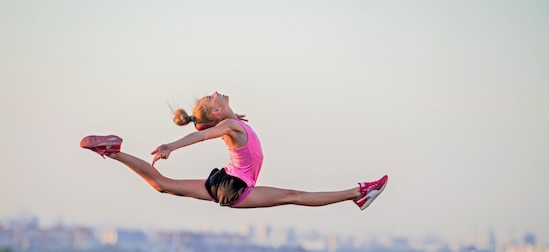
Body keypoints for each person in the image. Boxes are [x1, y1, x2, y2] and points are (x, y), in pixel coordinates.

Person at [80, 91, 388, 210]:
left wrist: (229, 116)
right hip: (236, 186)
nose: (216, 93)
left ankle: (112, 151)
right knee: (294, 196)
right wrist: (171, 146)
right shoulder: (230, 127)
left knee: (163, 185)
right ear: (215, 112)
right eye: (211, 97)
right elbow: (201, 136)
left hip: (227, 179)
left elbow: (203, 129)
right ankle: (358, 192)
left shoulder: (232, 123)